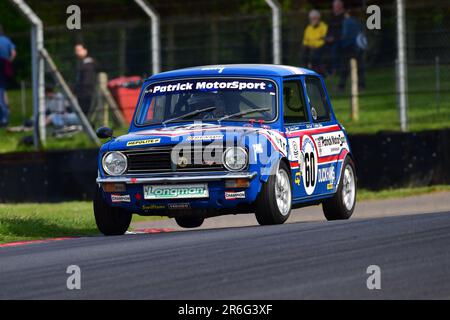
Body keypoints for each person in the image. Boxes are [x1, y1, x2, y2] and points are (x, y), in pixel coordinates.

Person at [338, 9, 366, 91]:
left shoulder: (346, 22)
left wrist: (340, 42)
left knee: (345, 68)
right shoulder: (358, 21)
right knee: (360, 68)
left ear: (347, 14)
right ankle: (361, 85)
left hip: (348, 47)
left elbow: (345, 34)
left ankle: (341, 86)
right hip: (358, 47)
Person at [0, 24, 17, 127]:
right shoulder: (7, 40)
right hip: (5, 67)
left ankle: (3, 117)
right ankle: (6, 114)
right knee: (2, 90)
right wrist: (9, 61)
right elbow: (14, 53)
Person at [302, 10, 328, 75]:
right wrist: (309, 45)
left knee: (316, 55)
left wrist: (315, 45)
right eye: (311, 19)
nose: (313, 20)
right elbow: (305, 40)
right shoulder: (308, 28)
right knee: (304, 53)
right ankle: (305, 71)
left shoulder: (324, 26)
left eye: (314, 18)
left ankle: (317, 72)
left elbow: (323, 39)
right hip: (309, 47)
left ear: (318, 18)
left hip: (320, 47)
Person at [74, 43, 96, 116]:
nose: (77, 52)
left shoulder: (88, 65)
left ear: (85, 50)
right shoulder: (83, 64)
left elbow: (86, 81)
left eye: (79, 50)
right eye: (76, 50)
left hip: (86, 94)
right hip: (82, 94)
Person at [325, 0, 345, 75]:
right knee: (322, 48)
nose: (334, 8)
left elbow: (343, 32)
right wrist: (327, 37)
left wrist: (334, 38)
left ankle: (335, 70)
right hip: (329, 41)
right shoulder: (331, 18)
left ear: (340, 7)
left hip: (340, 41)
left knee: (334, 49)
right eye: (334, 6)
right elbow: (328, 30)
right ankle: (325, 70)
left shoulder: (344, 18)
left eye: (336, 6)